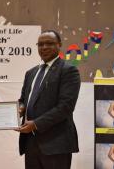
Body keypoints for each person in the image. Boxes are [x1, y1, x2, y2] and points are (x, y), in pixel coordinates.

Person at [16, 30, 81, 169]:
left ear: (59, 45)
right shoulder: (31, 73)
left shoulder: (69, 71)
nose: (44, 47)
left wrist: (36, 124)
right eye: (40, 44)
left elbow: (66, 107)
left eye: (49, 43)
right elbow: (22, 100)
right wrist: (20, 108)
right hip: (30, 142)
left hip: (56, 143)